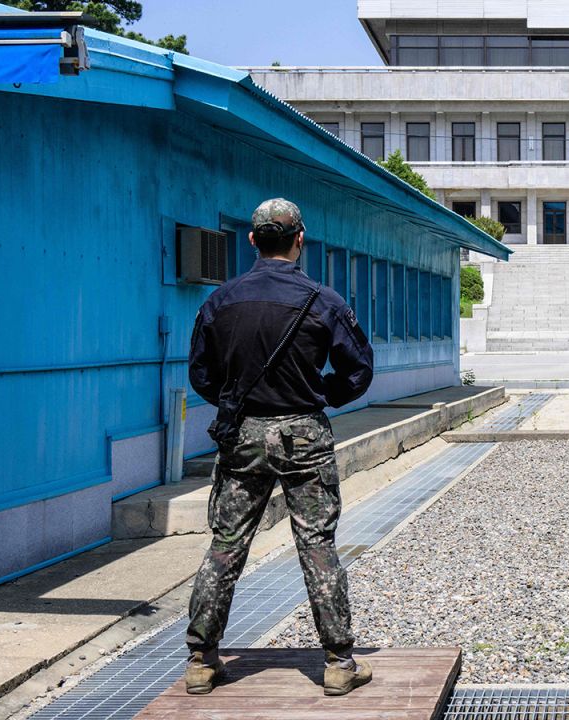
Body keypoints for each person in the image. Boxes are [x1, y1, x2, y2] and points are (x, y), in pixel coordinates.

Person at [184, 198, 374, 696]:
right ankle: (338, 662)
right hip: (303, 435)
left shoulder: (220, 301)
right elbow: (358, 371)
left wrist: (236, 401)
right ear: (299, 239)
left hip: (242, 435)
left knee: (226, 545)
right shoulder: (323, 301)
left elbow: (201, 374)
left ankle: (202, 661)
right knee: (316, 544)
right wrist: (320, 397)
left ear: (251, 240)